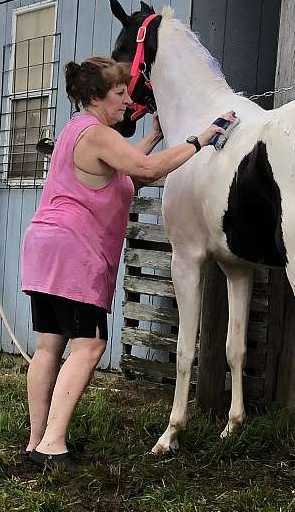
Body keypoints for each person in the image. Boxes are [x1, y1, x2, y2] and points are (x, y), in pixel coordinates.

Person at [20, 55, 232, 468]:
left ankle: (37, 440)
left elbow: (125, 174)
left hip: (45, 246)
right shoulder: (98, 133)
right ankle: (53, 445)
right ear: (98, 98)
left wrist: (152, 135)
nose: (127, 102)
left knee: (49, 346)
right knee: (90, 344)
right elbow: (148, 172)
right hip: (73, 252)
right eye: (120, 94)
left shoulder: (77, 131)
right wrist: (202, 138)